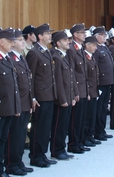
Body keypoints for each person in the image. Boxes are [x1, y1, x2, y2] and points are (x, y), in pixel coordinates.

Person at [0, 28, 21, 177]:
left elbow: (13, 85)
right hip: (0, 106)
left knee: (2, 139)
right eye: (10, 42)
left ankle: (0, 167)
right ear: (1, 42)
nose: (12, 45)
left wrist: (16, 106)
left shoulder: (7, 57)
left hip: (9, 106)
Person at [26, 23, 58, 168]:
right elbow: (30, 77)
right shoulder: (34, 53)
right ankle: (35, 155)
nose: (50, 36)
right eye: (47, 34)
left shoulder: (46, 52)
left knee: (46, 127)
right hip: (40, 97)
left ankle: (42, 153)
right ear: (40, 36)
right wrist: (32, 97)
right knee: (38, 127)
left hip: (49, 95)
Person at [4, 29, 34, 176]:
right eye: (19, 40)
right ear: (12, 43)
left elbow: (28, 81)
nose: (23, 42)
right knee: (14, 136)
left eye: (23, 40)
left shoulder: (21, 58)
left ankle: (18, 161)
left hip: (25, 102)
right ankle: (11, 163)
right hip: (17, 103)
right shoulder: (9, 58)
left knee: (21, 135)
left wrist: (31, 99)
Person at [50, 30, 77, 161]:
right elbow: (58, 81)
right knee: (58, 126)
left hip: (68, 96)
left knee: (64, 124)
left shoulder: (64, 56)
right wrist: (62, 99)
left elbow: (70, 79)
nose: (68, 42)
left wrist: (72, 96)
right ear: (58, 43)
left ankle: (61, 148)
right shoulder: (56, 57)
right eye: (65, 40)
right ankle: (56, 150)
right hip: (62, 99)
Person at [67, 23, 90, 154]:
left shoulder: (80, 48)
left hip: (83, 88)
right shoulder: (71, 49)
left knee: (81, 118)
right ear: (75, 34)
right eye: (82, 32)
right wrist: (75, 91)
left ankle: (80, 142)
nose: (84, 35)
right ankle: (73, 144)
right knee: (75, 120)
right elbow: (72, 72)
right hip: (77, 89)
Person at [93, 26, 114, 141]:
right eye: (102, 35)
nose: (104, 37)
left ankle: (102, 130)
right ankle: (98, 131)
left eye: (104, 35)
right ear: (96, 37)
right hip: (101, 83)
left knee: (104, 107)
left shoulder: (104, 47)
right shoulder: (96, 49)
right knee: (100, 108)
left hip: (107, 82)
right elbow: (95, 67)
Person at [82, 35, 101, 148]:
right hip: (88, 91)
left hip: (94, 90)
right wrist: (88, 92)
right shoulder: (84, 57)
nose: (95, 48)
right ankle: (85, 137)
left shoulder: (91, 57)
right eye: (94, 45)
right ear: (87, 45)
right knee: (87, 116)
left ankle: (90, 136)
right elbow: (85, 77)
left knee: (92, 114)